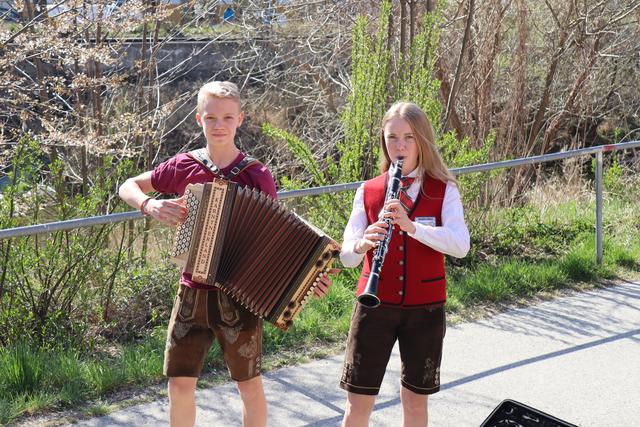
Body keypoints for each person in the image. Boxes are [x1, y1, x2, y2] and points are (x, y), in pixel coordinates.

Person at [119, 81, 331, 427]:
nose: (219, 125)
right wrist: (150, 204)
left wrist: (307, 281)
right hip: (191, 292)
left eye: (227, 117)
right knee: (179, 384)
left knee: (248, 386)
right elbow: (127, 185)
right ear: (199, 119)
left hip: (238, 296)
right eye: (211, 117)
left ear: (240, 120)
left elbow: (277, 239)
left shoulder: (256, 174)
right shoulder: (184, 166)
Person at [339, 101, 470, 427]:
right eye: (392, 137)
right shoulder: (368, 190)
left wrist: (413, 228)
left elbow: (461, 246)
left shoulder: (444, 189)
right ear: (383, 140)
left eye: (408, 138)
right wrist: (362, 243)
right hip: (373, 306)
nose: (400, 146)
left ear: (422, 140)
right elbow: (346, 258)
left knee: (413, 404)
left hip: (424, 310)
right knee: (357, 405)